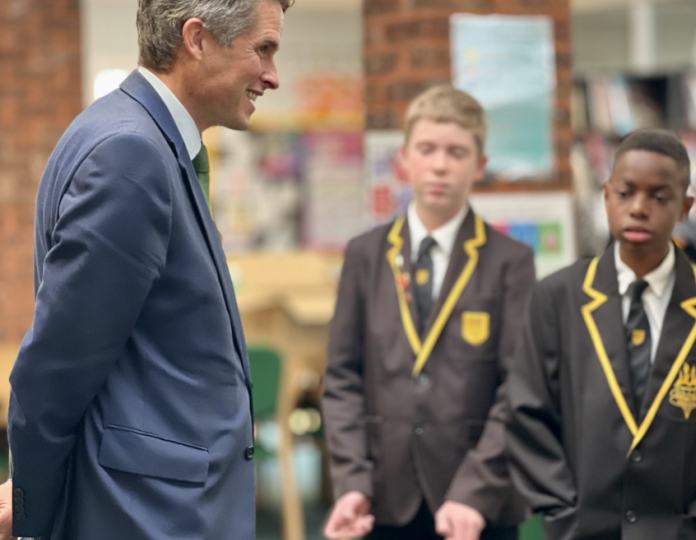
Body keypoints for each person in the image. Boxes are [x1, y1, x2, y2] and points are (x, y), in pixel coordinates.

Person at [3, 0, 291, 538]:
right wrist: (33, 516)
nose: (273, 76)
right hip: (149, 515)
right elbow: (56, 368)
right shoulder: (131, 153)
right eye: (264, 50)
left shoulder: (131, 135)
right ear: (198, 39)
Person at [507, 128, 696, 540]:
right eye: (626, 193)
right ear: (606, 195)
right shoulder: (556, 298)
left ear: (685, 207)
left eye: (659, 197)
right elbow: (528, 416)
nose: (639, 208)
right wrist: (564, 513)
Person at [321, 85, 535, 540]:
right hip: (382, 495)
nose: (440, 164)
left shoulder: (510, 262)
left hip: (479, 502)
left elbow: (519, 389)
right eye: (427, 149)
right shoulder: (364, 255)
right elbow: (342, 379)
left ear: (479, 165)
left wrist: (474, 490)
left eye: (457, 152)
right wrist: (353, 480)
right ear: (404, 160)